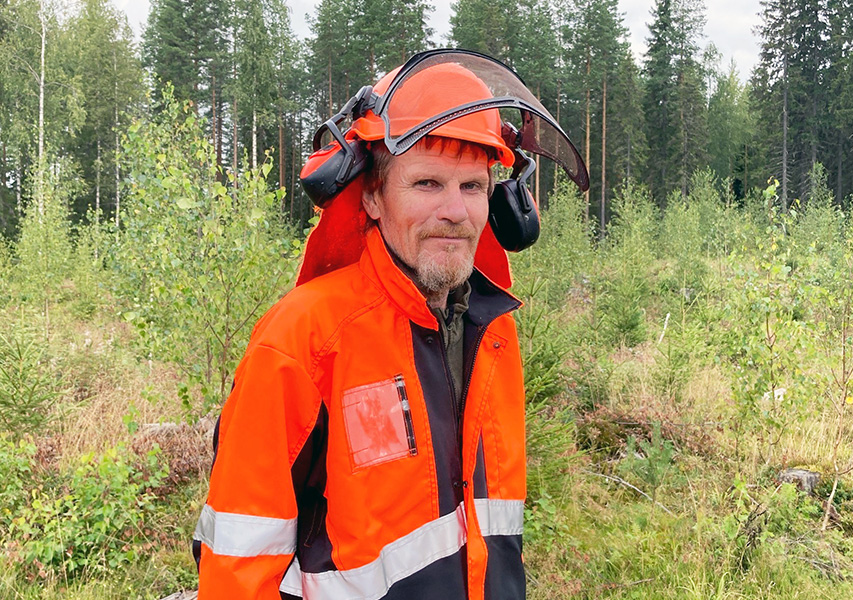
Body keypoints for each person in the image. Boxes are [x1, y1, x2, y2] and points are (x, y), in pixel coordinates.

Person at [191, 50, 588, 600]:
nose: (456, 210)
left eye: (472, 187)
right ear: (373, 197)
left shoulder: (494, 332)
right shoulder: (302, 343)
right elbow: (237, 568)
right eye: (427, 183)